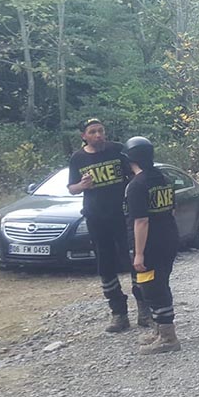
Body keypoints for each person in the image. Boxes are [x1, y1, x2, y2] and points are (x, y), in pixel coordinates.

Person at [67, 118, 145, 332]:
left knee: (135, 260)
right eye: (92, 132)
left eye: (101, 131)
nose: (98, 135)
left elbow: (136, 173)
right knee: (106, 265)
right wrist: (81, 185)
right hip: (97, 219)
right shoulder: (78, 158)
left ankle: (144, 308)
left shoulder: (118, 151)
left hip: (124, 215)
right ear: (84, 136)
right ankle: (118, 313)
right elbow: (71, 188)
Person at [123, 136, 181, 353]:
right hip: (169, 237)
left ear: (130, 159)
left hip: (150, 244)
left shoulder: (137, 185)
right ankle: (160, 330)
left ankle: (168, 338)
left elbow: (141, 221)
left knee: (152, 288)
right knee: (161, 282)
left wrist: (138, 254)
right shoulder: (164, 178)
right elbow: (172, 210)